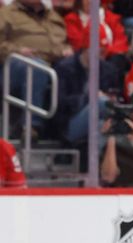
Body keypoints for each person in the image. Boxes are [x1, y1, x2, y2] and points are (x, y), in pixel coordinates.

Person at [0, 0, 70, 139]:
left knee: (77, 66)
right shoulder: (6, 14)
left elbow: (63, 42)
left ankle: (68, 132)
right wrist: (17, 50)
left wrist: (67, 50)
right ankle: (31, 126)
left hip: (52, 62)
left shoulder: (54, 17)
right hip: (15, 66)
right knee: (36, 67)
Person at [53, 27, 121, 147]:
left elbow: (116, 95)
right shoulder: (64, 68)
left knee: (102, 124)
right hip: (69, 122)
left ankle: (99, 164)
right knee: (101, 103)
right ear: (86, 48)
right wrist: (89, 97)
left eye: (104, 53)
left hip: (101, 120)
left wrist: (113, 100)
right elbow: (61, 103)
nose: (101, 57)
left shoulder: (108, 70)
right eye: (99, 52)